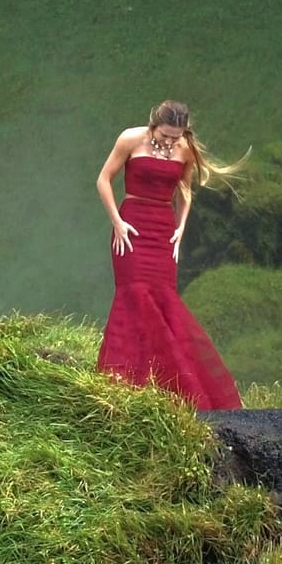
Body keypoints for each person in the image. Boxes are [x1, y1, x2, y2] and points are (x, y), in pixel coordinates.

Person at [93, 99, 242, 409]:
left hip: (163, 229)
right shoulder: (130, 139)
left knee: (163, 297)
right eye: (165, 135)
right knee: (133, 294)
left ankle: (170, 381)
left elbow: (184, 190)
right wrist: (117, 222)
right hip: (132, 226)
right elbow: (103, 179)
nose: (170, 141)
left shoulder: (184, 147)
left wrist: (180, 229)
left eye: (176, 136)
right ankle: (123, 378)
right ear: (153, 124)